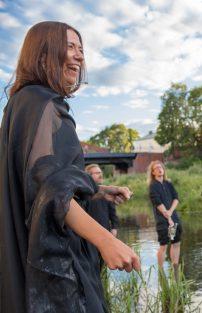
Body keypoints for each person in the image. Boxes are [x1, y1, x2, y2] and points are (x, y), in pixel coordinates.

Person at [0, 21, 140, 313]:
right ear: (43, 53)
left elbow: (36, 183)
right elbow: (53, 189)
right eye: (70, 47)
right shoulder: (45, 105)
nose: (79, 56)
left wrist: (96, 190)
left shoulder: (18, 106)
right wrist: (106, 241)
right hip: (53, 270)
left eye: (81, 49)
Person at [85, 164, 120, 270]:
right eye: (97, 173)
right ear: (89, 176)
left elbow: (112, 213)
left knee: (103, 265)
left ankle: (102, 284)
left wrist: (114, 228)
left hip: (105, 232)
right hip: (89, 235)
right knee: (90, 263)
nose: (100, 175)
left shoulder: (107, 193)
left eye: (100, 172)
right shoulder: (84, 194)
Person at [148, 160, 182, 269]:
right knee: (163, 245)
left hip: (173, 217)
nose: (159, 169)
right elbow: (157, 202)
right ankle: (161, 270)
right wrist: (168, 217)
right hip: (162, 220)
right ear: (153, 172)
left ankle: (175, 266)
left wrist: (171, 212)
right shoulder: (153, 186)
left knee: (176, 242)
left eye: (161, 167)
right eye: (156, 168)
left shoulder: (168, 184)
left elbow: (176, 198)